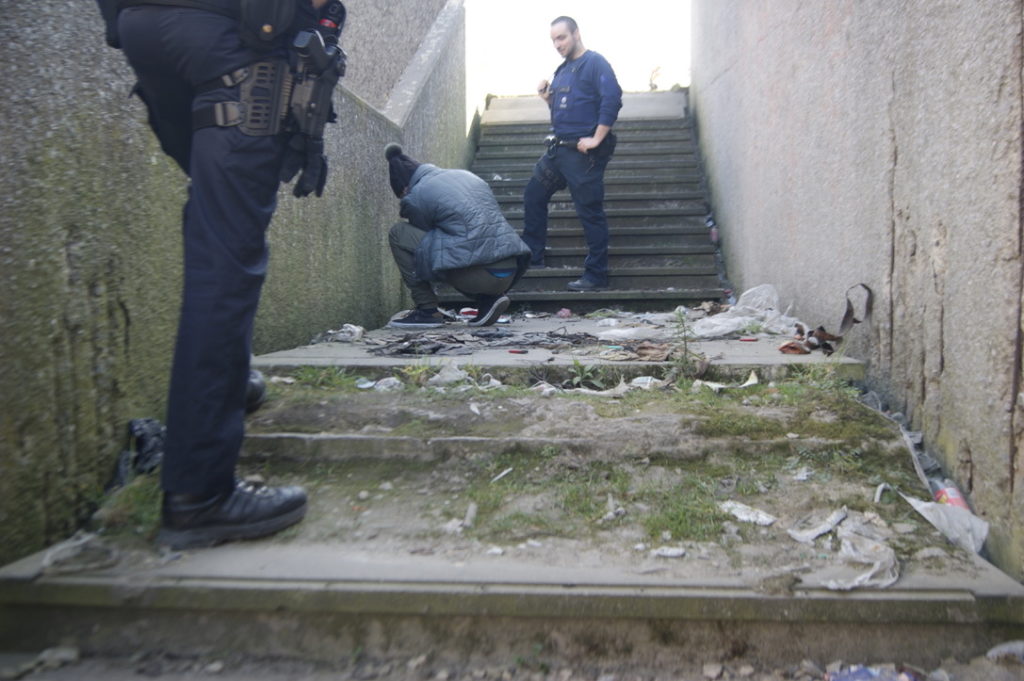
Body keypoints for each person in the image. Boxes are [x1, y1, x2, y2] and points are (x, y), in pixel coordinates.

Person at [96, 0, 345, 549]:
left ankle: (225, 386)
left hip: (145, 26)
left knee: (213, 225)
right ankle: (200, 495)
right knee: (225, 258)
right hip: (234, 40)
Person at [522, 15, 622, 292]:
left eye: (562, 37)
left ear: (576, 33)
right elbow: (564, 111)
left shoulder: (595, 63)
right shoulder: (563, 70)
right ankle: (534, 257)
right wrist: (548, 99)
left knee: (589, 212)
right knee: (533, 194)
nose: (557, 44)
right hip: (558, 151)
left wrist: (596, 139)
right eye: (553, 39)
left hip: (584, 155)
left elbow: (612, 99)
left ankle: (596, 274)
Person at [384, 143, 532, 329]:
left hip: (478, 274)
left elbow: (423, 247)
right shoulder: (466, 176)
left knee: (399, 234)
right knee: (462, 241)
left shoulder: (416, 196)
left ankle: (427, 310)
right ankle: (489, 300)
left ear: (404, 188)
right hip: (510, 268)